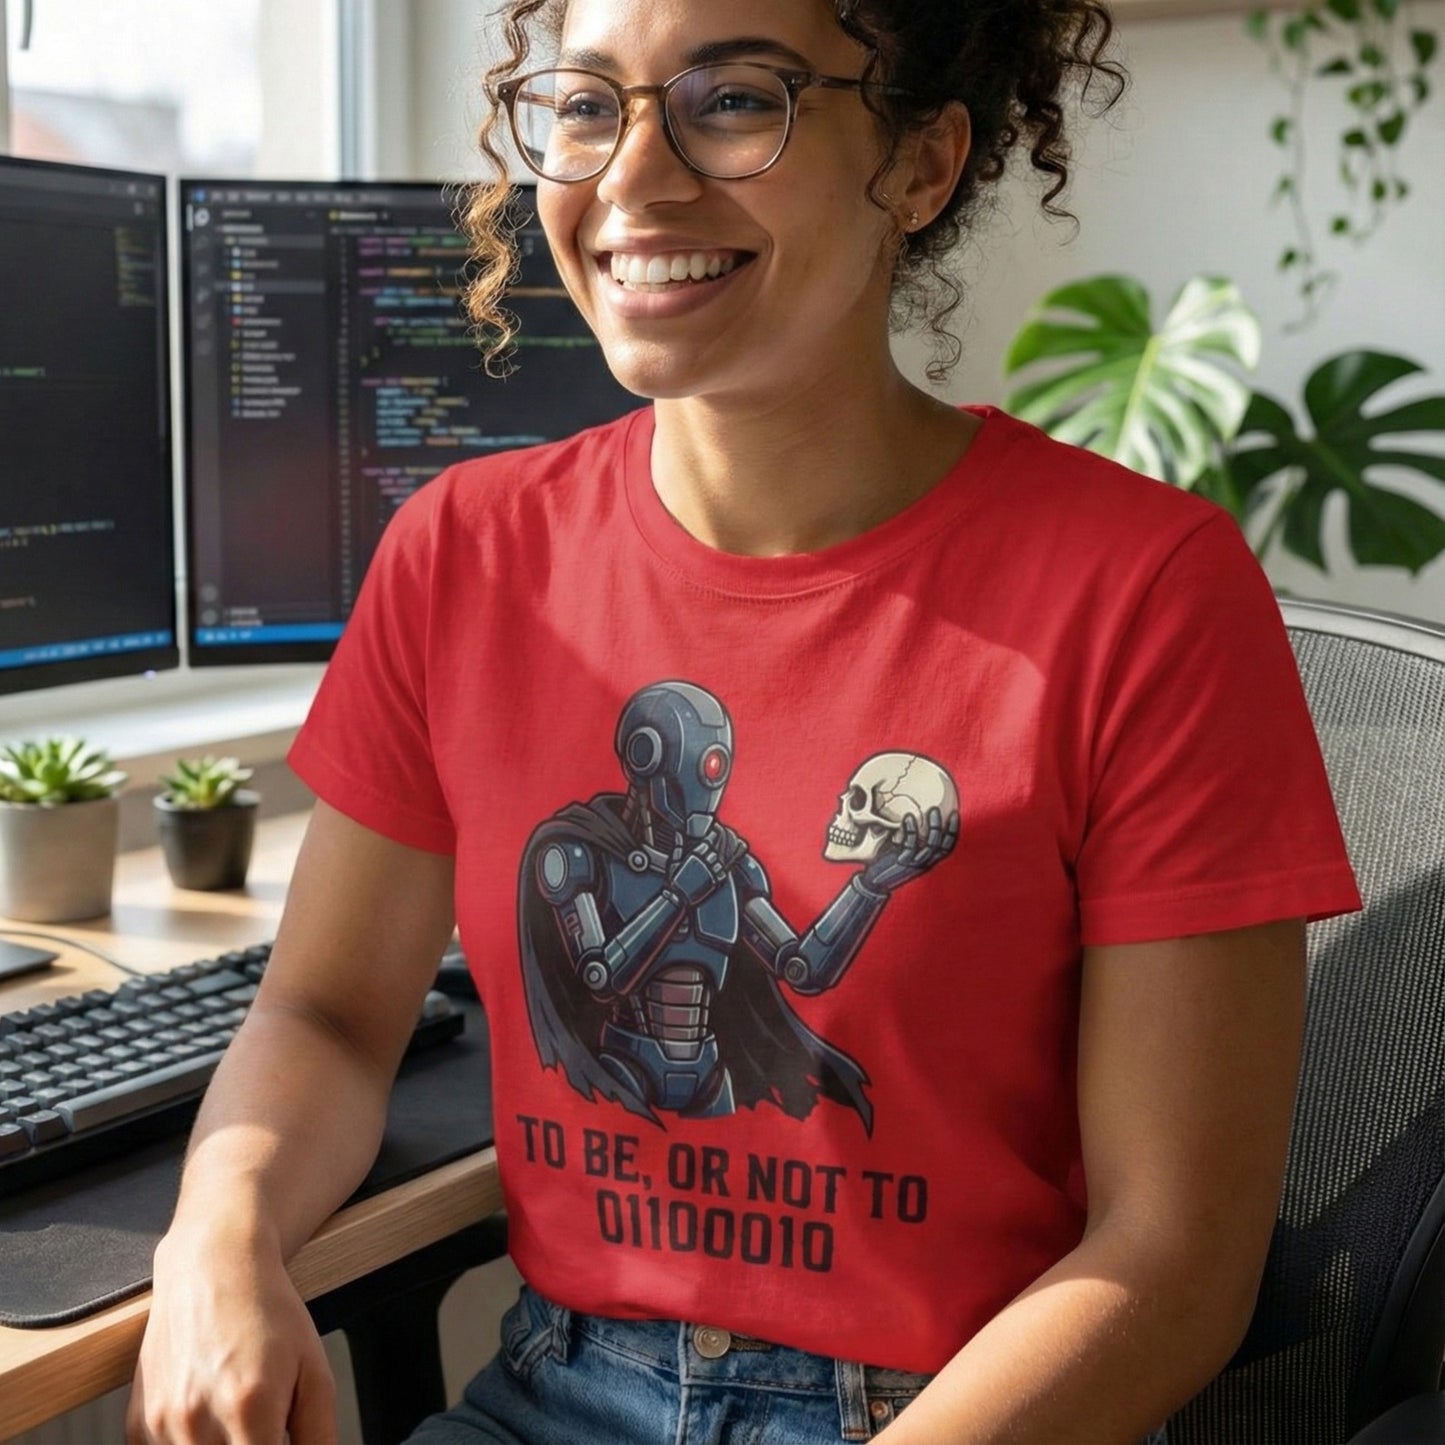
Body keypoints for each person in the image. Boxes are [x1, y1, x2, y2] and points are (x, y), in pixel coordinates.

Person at [127, 1, 1362, 1442]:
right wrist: (217, 1242)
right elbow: (330, 1016)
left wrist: (874, 878)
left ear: (919, 163)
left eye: (732, 101)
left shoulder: (1144, 589)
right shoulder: (462, 553)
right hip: (555, 1390)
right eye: (586, 104)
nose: (633, 177)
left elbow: (1174, 1260)